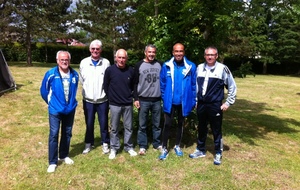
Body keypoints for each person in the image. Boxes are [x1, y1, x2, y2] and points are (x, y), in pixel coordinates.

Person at [189, 46, 237, 165]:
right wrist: (195, 100)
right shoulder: (199, 68)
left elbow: (232, 86)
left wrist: (228, 102)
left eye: (212, 55)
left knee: (216, 129)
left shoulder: (222, 69)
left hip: (215, 104)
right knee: (201, 127)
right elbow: (195, 86)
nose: (210, 57)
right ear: (204, 56)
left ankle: (218, 152)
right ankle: (200, 149)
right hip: (201, 104)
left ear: (216, 56)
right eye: (208, 55)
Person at [40, 50, 79, 173]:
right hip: (55, 110)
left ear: (69, 60)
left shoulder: (75, 75)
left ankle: (64, 155)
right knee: (54, 134)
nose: (64, 61)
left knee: (67, 133)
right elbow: (43, 91)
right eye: (62, 59)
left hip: (70, 109)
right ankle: (52, 162)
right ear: (57, 61)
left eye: (66, 59)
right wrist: (52, 103)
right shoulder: (51, 74)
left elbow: (74, 90)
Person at [159, 43, 197, 160]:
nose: (179, 53)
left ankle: (177, 146)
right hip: (170, 102)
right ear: (173, 52)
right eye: (176, 51)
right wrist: (165, 98)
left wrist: (193, 100)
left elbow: (193, 85)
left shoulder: (191, 66)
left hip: (183, 102)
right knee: (167, 124)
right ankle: (164, 147)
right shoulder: (166, 66)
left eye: (181, 51)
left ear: (184, 52)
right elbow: (162, 84)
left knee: (181, 124)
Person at [103, 49, 137, 159]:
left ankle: (128, 147)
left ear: (126, 59)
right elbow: (106, 85)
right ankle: (114, 148)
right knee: (114, 128)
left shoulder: (131, 70)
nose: (121, 60)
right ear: (116, 58)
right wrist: (111, 97)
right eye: (120, 57)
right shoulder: (110, 70)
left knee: (129, 127)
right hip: (114, 104)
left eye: (124, 58)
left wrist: (132, 97)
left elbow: (134, 86)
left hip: (127, 103)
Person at [79, 39, 110, 155]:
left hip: (103, 100)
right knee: (89, 123)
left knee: (103, 123)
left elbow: (108, 80)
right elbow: (82, 80)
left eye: (97, 49)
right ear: (89, 49)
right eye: (93, 49)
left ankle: (105, 143)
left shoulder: (106, 63)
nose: (95, 51)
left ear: (101, 50)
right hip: (88, 100)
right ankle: (88, 143)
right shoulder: (83, 63)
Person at [133, 44, 162, 155]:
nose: (151, 54)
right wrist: (136, 98)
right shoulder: (139, 65)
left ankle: (157, 143)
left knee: (157, 124)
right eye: (149, 52)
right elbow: (135, 83)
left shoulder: (160, 64)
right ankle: (142, 146)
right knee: (142, 125)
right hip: (143, 100)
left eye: (153, 52)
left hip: (156, 100)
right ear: (145, 52)